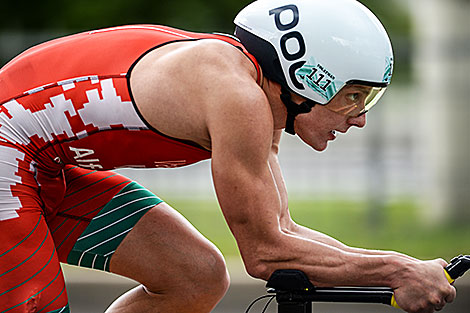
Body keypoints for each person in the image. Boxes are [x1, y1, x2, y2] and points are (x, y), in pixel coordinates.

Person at [0, 0, 456, 312]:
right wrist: (397, 269)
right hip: (11, 153)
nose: (358, 118)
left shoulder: (256, 94)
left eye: (367, 101)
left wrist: (401, 270)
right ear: (306, 77)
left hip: (42, 162)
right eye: (353, 96)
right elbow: (265, 254)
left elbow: (285, 231)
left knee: (195, 276)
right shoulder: (236, 95)